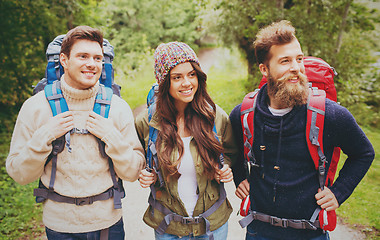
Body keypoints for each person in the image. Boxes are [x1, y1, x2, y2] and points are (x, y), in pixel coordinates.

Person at [229, 20, 375, 240]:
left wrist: (338, 192)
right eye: (285, 61)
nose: (296, 67)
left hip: (310, 233)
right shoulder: (245, 114)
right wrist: (240, 178)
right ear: (264, 69)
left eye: (299, 59)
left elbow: (363, 153)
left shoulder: (330, 114)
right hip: (259, 231)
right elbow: (233, 153)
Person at [6, 26, 145, 239]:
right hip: (59, 226)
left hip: (108, 224)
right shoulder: (35, 107)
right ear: (64, 59)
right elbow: (19, 173)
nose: (92, 64)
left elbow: (133, 172)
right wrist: (44, 136)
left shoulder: (117, 107)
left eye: (98, 58)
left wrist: (111, 137)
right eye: (83, 56)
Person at [135, 42, 237, 240]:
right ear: (164, 82)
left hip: (212, 227)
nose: (187, 83)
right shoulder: (147, 122)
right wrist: (144, 172)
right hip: (168, 228)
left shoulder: (215, 116)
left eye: (192, 74)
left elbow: (231, 153)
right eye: (177, 77)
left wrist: (224, 168)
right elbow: (136, 157)